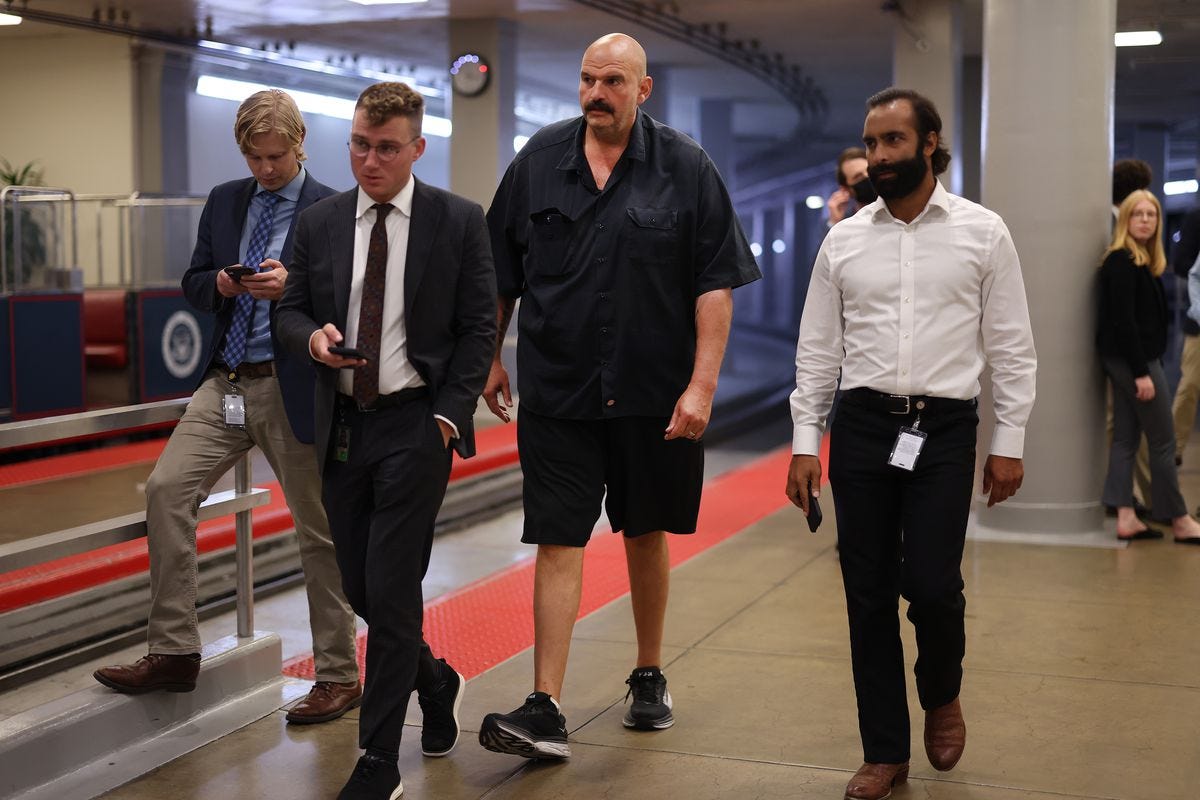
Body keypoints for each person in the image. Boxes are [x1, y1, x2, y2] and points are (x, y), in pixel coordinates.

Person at [477, 32, 760, 760]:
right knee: (558, 536)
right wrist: (488, 359)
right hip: (559, 391)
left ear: (643, 90)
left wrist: (701, 386)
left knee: (644, 530)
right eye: (587, 79)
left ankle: (648, 672)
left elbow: (714, 284)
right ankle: (544, 706)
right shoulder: (539, 161)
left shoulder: (687, 168)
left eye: (612, 81)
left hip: (650, 395)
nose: (596, 93)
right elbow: (497, 274)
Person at [786, 87, 1037, 800]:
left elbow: (1012, 348)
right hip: (862, 428)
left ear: (930, 143)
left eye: (894, 141)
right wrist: (806, 441)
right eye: (871, 144)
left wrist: (1009, 439)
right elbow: (817, 351)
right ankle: (885, 751)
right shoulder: (844, 240)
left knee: (931, 583)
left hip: (944, 427)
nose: (879, 157)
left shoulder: (983, 232)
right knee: (866, 593)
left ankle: (943, 689)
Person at [93, 89, 362, 726]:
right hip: (226, 380)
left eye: (275, 156)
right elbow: (191, 282)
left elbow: (352, 299)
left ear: (300, 146)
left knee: (316, 529)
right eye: (253, 156)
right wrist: (217, 282)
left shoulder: (332, 208)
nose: (265, 169)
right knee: (165, 489)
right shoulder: (224, 200)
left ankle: (338, 673)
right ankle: (175, 651)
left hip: (295, 382)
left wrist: (291, 287)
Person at [275, 81, 496, 800]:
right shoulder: (322, 222)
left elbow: (477, 330)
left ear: (417, 149)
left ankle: (377, 761)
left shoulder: (458, 222)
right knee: (362, 585)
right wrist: (313, 338)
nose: (371, 161)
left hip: (414, 423)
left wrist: (448, 416)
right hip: (342, 428)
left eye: (387, 148)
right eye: (361, 146)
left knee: (394, 590)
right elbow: (291, 308)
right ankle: (435, 679)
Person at [1098, 189, 1200, 544]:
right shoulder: (1121, 261)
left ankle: (1125, 515)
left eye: (1151, 214)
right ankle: (1180, 519)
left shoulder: (1141, 260)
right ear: (1126, 219)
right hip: (1134, 361)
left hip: (1133, 359)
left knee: (1126, 438)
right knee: (1163, 439)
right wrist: (1142, 372)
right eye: (1138, 214)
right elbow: (1123, 323)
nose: (1145, 220)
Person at [1172, 195, 1200, 464]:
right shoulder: (1196, 217)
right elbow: (1181, 264)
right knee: (1189, 387)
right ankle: (1174, 450)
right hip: (1199, 325)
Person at [827, 146, 876, 226]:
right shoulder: (845, 223)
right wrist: (835, 223)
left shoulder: (898, 208)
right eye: (858, 176)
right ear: (846, 189)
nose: (868, 176)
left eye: (869, 170)